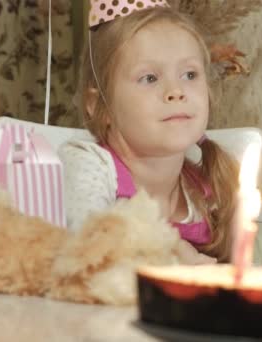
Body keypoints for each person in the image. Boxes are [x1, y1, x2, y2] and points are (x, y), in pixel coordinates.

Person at [60, 0, 239, 263]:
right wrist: (176, 250)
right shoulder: (89, 164)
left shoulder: (208, 192)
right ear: (100, 105)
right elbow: (89, 245)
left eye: (190, 74)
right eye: (150, 78)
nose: (176, 91)